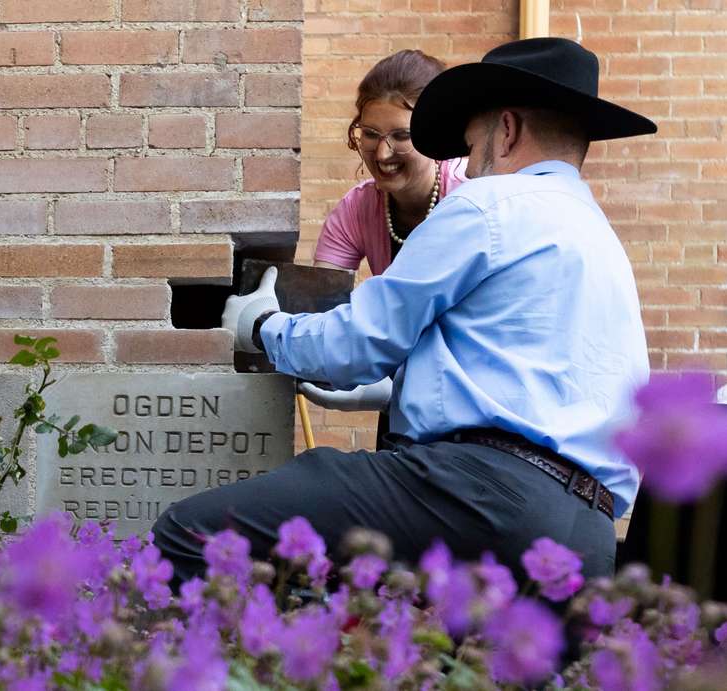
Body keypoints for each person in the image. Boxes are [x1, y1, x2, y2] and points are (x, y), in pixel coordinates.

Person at [155, 38, 656, 586]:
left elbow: (353, 345)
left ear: (506, 129)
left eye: (471, 139)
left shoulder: (487, 206)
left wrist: (262, 326)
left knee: (189, 532)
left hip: (476, 492)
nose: (469, 155)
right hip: (587, 533)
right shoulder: (600, 237)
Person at [304, 49, 469, 423]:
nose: (382, 153)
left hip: (472, 405)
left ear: (435, 131)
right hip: (401, 399)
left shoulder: (468, 199)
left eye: (401, 136)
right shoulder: (357, 209)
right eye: (370, 134)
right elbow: (323, 307)